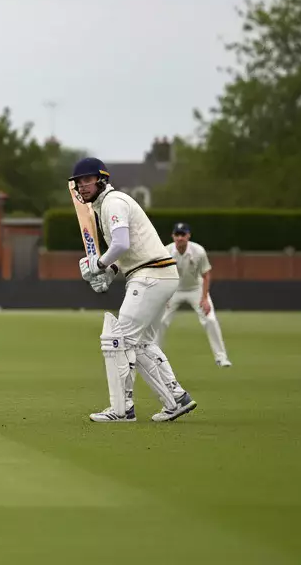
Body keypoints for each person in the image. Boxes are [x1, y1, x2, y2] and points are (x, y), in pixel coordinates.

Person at [72, 158, 198, 423]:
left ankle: (122, 409)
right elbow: (126, 250)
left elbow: (120, 243)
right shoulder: (103, 206)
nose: (82, 187)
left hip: (150, 274)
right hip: (154, 274)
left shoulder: (113, 202)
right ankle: (177, 398)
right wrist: (110, 271)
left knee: (120, 340)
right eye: (79, 182)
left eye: (87, 180)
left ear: (101, 179)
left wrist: (99, 264)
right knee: (140, 343)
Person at [152, 222, 231, 367]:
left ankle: (221, 358)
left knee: (210, 319)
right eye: (177, 235)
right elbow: (161, 275)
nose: (180, 238)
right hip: (174, 289)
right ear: (173, 236)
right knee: (160, 321)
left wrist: (205, 298)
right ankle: (155, 358)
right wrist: (165, 296)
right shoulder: (166, 252)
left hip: (196, 289)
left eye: (183, 235)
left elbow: (206, 275)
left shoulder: (198, 251)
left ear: (188, 236)